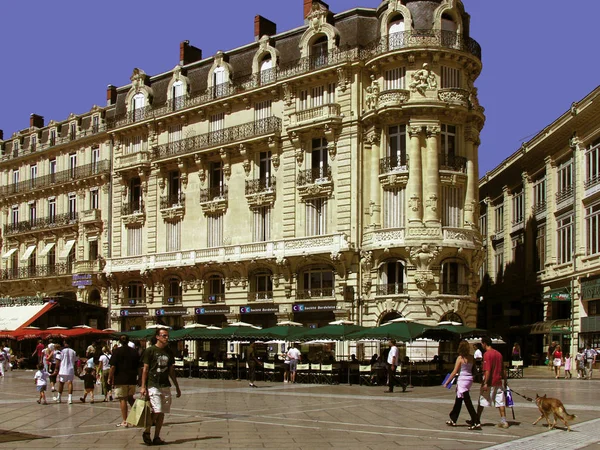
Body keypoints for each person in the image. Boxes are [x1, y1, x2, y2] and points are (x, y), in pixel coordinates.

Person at [140, 328, 181, 446]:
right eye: (164, 335)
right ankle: (147, 431)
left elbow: (171, 370)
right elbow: (145, 369)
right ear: (157, 337)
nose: (166, 338)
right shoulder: (150, 350)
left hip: (165, 384)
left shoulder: (169, 351)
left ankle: (157, 436)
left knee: (162, 411)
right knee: (157, 409)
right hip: (153, 384)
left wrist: (177, 386)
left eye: (167, 336)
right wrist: (143, 386)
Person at [472, 336, 508, 429]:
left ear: (484, 343)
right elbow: (503, 369)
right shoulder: (499, 354)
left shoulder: (487, 355)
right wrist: (505, 381)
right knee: (500, 402)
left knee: (482, 400)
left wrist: (485, 383)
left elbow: (487, 370)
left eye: (482, 344)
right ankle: (504, 421)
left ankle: (477, 419)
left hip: (490, 382)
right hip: (498, 381)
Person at [444, 341, 479, 428]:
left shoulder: (460, 358)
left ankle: (476, 421)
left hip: (462, 379)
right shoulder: (471, 358)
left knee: (467, 401)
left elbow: (454, 372)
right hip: (469, 379)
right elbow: (474, 369)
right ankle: (453, 418)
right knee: (459, 399)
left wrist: (447, 382)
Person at [109, 335, 140, 428]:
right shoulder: (134, 352)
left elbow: (113, 366)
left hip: (120, 379)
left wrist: (110, 377)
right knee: (131, 398)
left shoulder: (117, 351)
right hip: (132, 378)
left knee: (123, 399)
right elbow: (139, 366)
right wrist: (139, 377)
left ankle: (125, 421)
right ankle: (138, 417)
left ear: (120, 341)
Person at [52, 339, 78, 404]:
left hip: (63, 369)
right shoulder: (73, 352)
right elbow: (75, 361)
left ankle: (59, 397)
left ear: (64, 343)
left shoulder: (61, 351)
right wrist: (76, 370)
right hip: (71, 369)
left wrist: (56, 369)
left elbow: (58, 361)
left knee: (61, 383)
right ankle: (70, 398)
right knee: (70, 383)